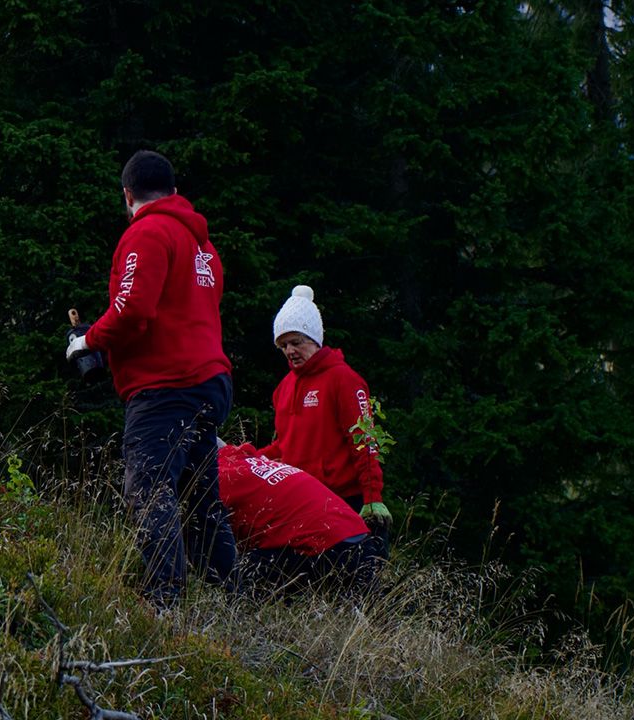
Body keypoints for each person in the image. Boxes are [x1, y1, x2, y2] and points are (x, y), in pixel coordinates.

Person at [66, 150, 235, 606]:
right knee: (202, 501)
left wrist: (89, 342)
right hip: (210, 384)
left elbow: (134, 308)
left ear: (127, 195)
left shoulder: (147, 233)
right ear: (175, 191)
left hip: (165, 388)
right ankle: (231, 601)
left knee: (149, 487)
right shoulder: (204, 247)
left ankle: (164, 602)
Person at [259, 285, 392, 529]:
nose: (290, 351)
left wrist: (373, 498)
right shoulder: (283, 388)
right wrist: (251, 459)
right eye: (283, 345)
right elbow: (285, 445)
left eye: (296, 342)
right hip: (300, 499)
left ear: (314, 339)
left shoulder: (344, 379)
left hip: (344, 500)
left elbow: (364, 441)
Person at [216, 440, 386, 593]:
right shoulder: (255, 461)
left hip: (327, 550)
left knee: (237, 573)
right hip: (361, 542)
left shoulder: (221, 477)